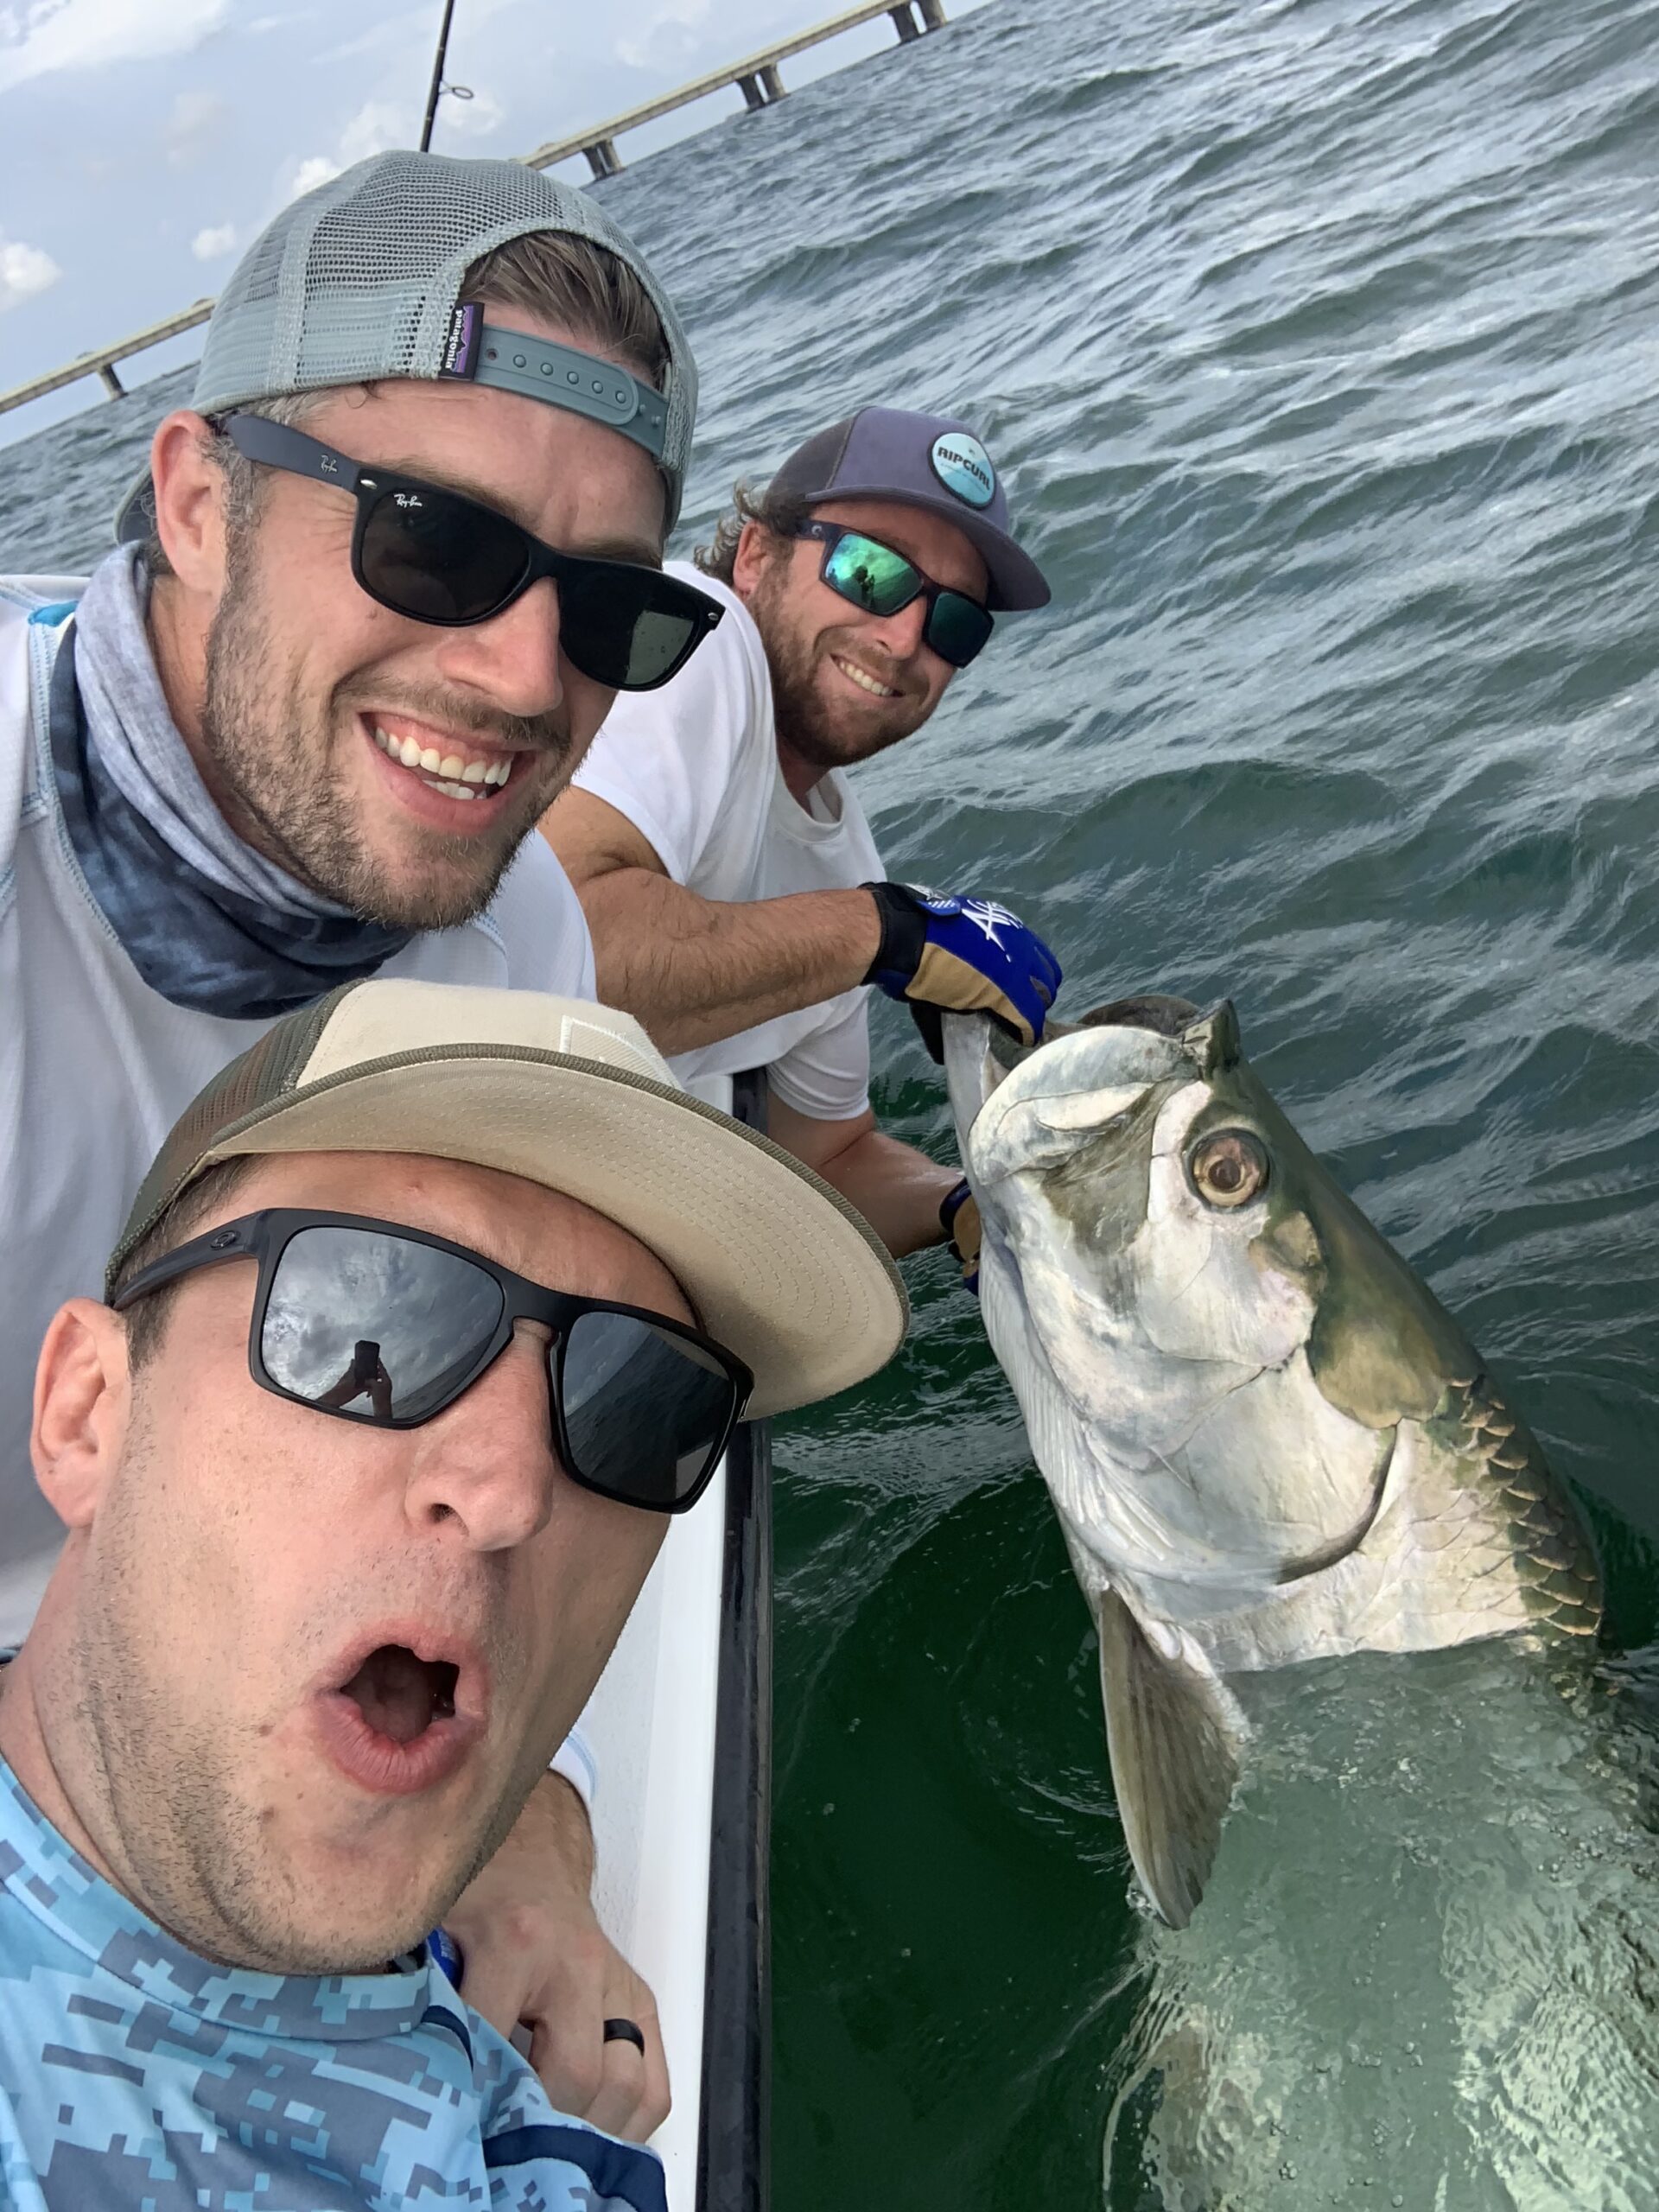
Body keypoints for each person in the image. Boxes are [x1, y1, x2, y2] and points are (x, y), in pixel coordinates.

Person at [0, 145, 723, 2123]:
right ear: (197, 500)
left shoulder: (516, 930)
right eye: (430, 542)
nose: (520, 679)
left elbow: (504, 1453)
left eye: (602, 610)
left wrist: (535, 1820)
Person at [0, 976, 906, 2209]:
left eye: (638, 1406)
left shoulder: (537, 2159)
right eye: (372, 1321)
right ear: (88, 1415)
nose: (510, 1489)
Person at [543, 405, 1063, 1283]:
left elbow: (827, 1159)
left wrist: (964, 1205)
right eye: (870, 571)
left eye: (954, 625)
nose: (904, 638)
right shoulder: (697, 642)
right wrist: (889, 937)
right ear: (755, 557)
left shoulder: (845, 860)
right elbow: (558, 948)